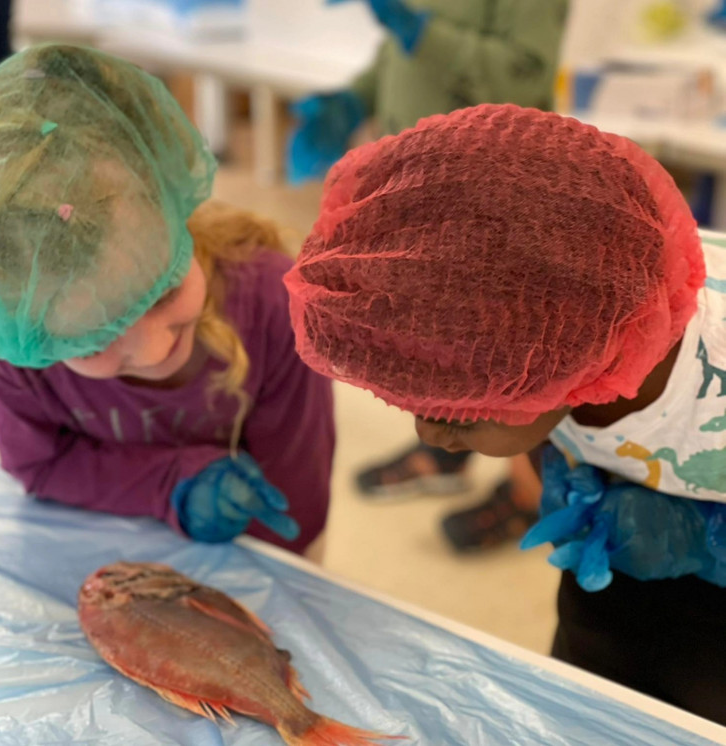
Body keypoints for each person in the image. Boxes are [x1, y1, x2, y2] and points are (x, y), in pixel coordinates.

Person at [284, 104, 726, 723]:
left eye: (460, 416)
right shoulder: (575, 335)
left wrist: (704, 540)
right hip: (620, 573)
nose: (429, 436)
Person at [0, 45, 334, 561]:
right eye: (95, 338)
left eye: (163, 292)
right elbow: (39, 465)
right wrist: (171, 482)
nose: (153, 352)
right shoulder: (11, 335)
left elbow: (296, 515)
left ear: (173, 210)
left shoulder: (270, 307)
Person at [288, 0, 568, 550]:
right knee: (439, 334)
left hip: (493, 180)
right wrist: (357, 97)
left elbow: (527, 73)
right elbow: (401, 55)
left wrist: (423, 33)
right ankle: (448, 450)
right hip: (422, 181)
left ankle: (532, 492)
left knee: (505, 343)